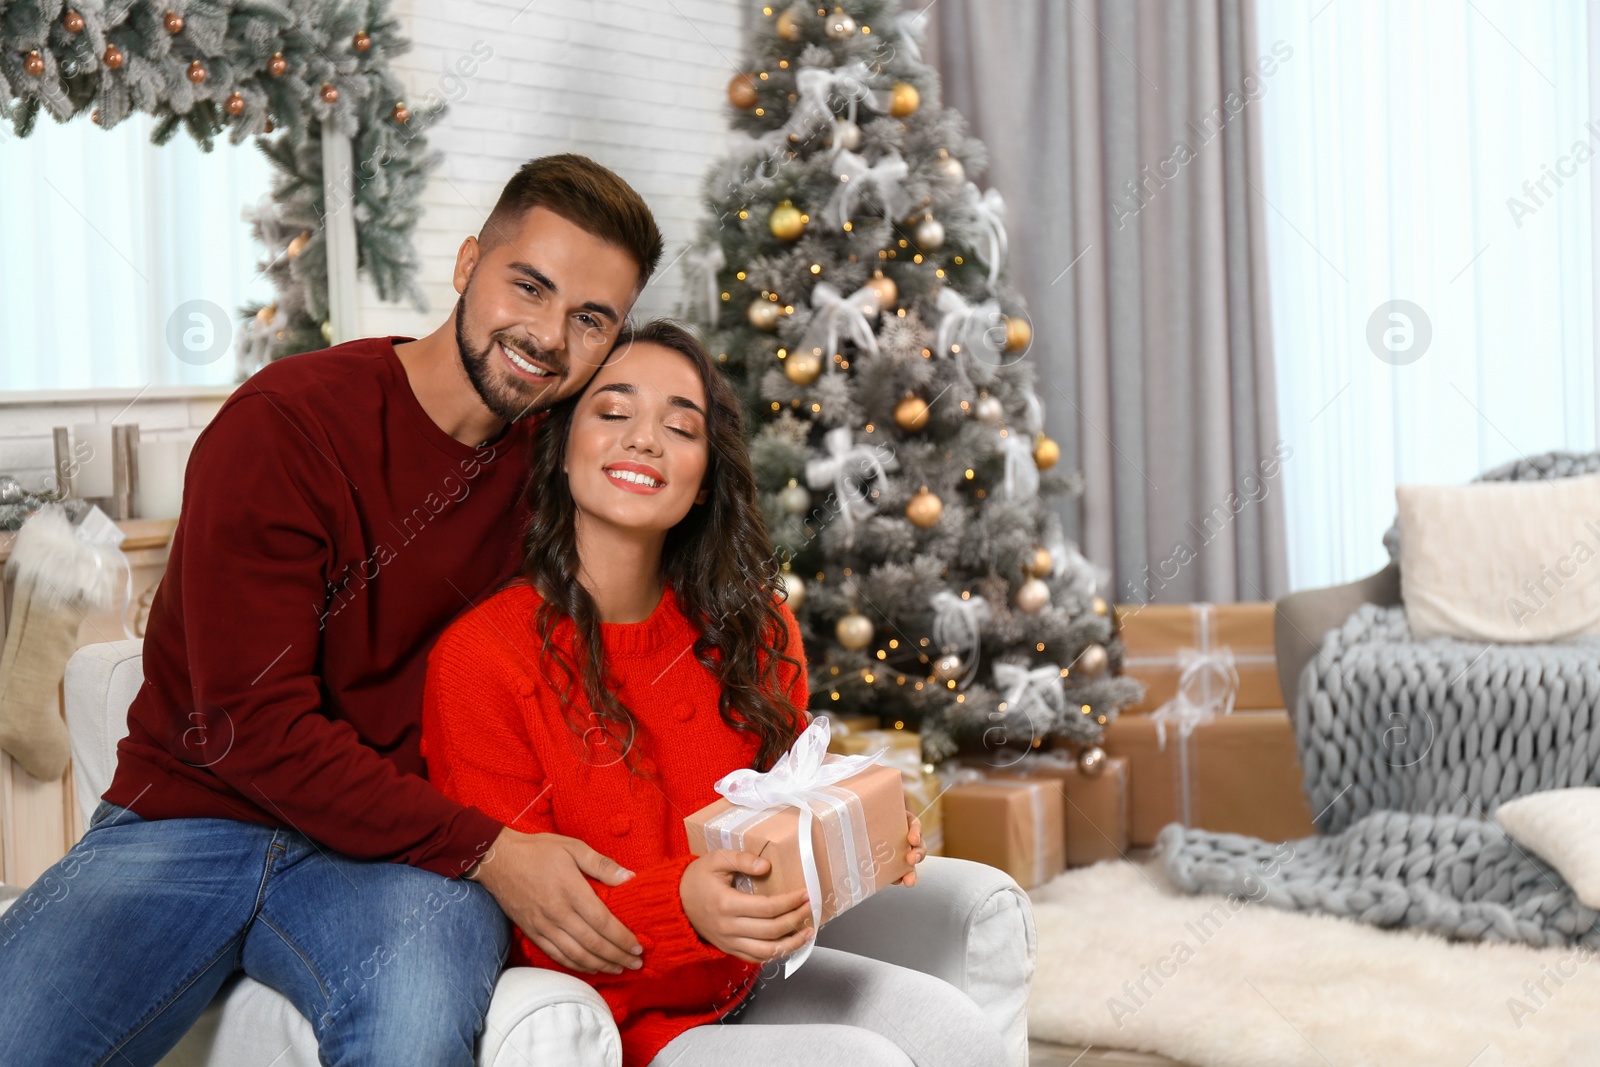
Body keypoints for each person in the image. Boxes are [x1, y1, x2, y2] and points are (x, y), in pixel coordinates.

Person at [0, 154, 667, 1066]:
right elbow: (252, 728)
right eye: (530, 286)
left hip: (395, 862)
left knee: (414, 1035)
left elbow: (658, 647)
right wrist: (492, 852)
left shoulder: (564, 472)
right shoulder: (286, 424)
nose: (550, 336)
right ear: (469, 263)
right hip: (195, 817)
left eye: (591, 319)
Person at [423, 320, 1010, 1067]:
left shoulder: (754, 629)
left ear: (705, 477)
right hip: (614, 1024)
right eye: (612, 413)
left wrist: (858, 831)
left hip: (750, 982)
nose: (645, 440)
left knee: (950, 1026)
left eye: (680, 426)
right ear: (560, 447)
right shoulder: (480, 659)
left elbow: (783, 817)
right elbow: (528, 924)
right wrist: (685, 907)